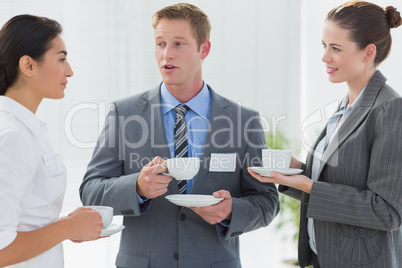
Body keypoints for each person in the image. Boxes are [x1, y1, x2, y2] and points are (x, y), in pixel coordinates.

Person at [80, 3, 279, 268]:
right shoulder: (124, 114)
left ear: (203, 49)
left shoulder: (244, 120)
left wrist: (231, 211)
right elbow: (90, 192)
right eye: (160, 43)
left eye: (178, 44)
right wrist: (136, 188)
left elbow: (266, 201)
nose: (166, 54)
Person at [249, 1, 402, 267]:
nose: (324, 57)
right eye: (324, 46)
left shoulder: (389, 109)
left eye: (336, 48)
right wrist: (295, 170)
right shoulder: (346, 106)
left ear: (368, 53)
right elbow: (338, 181)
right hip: (324, 257)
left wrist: (308, 186)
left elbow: (387, 212)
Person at [0, 15, 103, 268]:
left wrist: (67, 226)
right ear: (28, 65)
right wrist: (68, 227)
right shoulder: (13, 136)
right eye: (61, 59)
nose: (70, 70)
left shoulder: (26, 129)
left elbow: (22, 216)